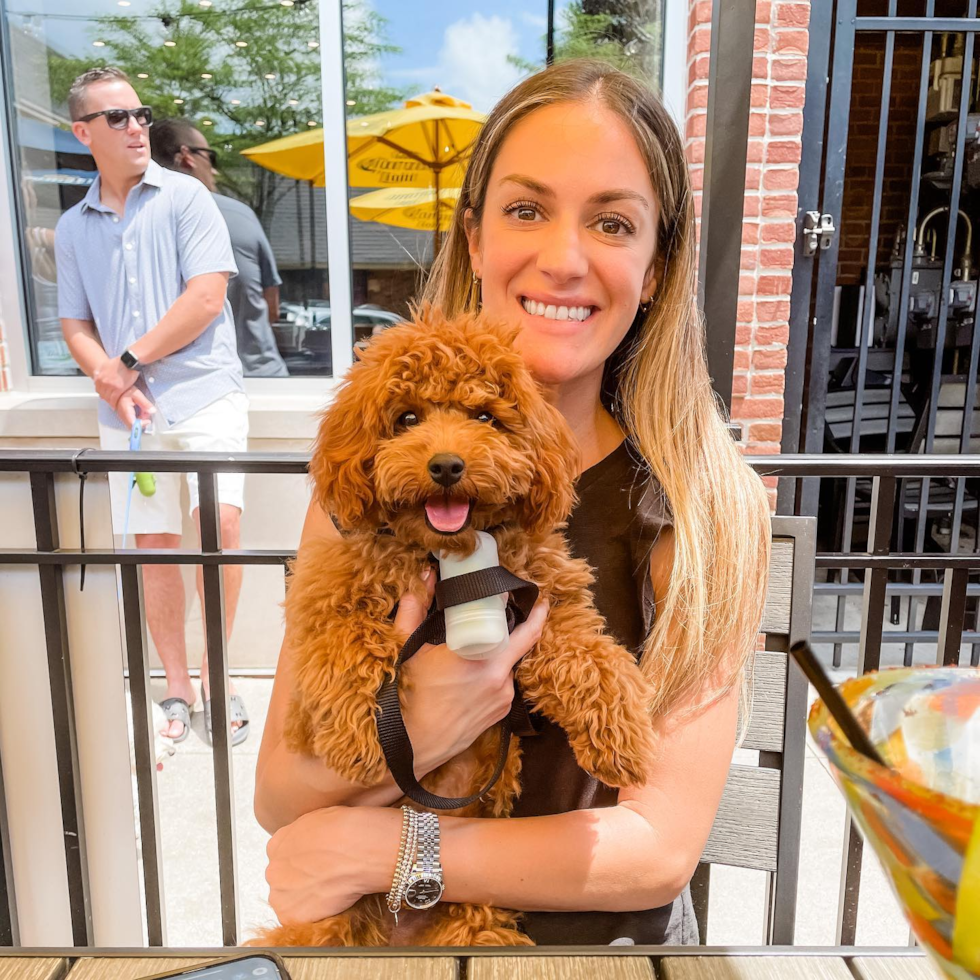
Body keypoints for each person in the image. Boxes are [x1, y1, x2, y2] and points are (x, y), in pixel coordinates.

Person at [254, 58, 771, 944]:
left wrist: (382, 847)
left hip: (603, 957)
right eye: (526, 209)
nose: (564, 260)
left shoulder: (705, 507)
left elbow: (655, 850)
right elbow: (280, 793)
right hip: (396, 948)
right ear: (473, 239)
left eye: (612, 222)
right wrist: (423, 713)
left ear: (654, 270)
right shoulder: (371, 489)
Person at [56, 67, 250, 746]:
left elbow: (205, 298)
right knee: (153, 547)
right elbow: (74, 325)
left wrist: (127, 363)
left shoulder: (188, 200)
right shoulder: (73, 226)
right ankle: (175, 684)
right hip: (129, 416)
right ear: (83, 133)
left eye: (141, 114)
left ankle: (217, 674)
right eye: (118, 118)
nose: (137, 126)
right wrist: (112, 383)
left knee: (218, 532)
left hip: (203, 395)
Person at [149, 117, 290, 378]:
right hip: (259, 375)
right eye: (210, 157)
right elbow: (271, 306)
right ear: (187, 156)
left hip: (173, 382)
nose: (214, 170)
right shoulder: (237, 215)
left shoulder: (137, 222)